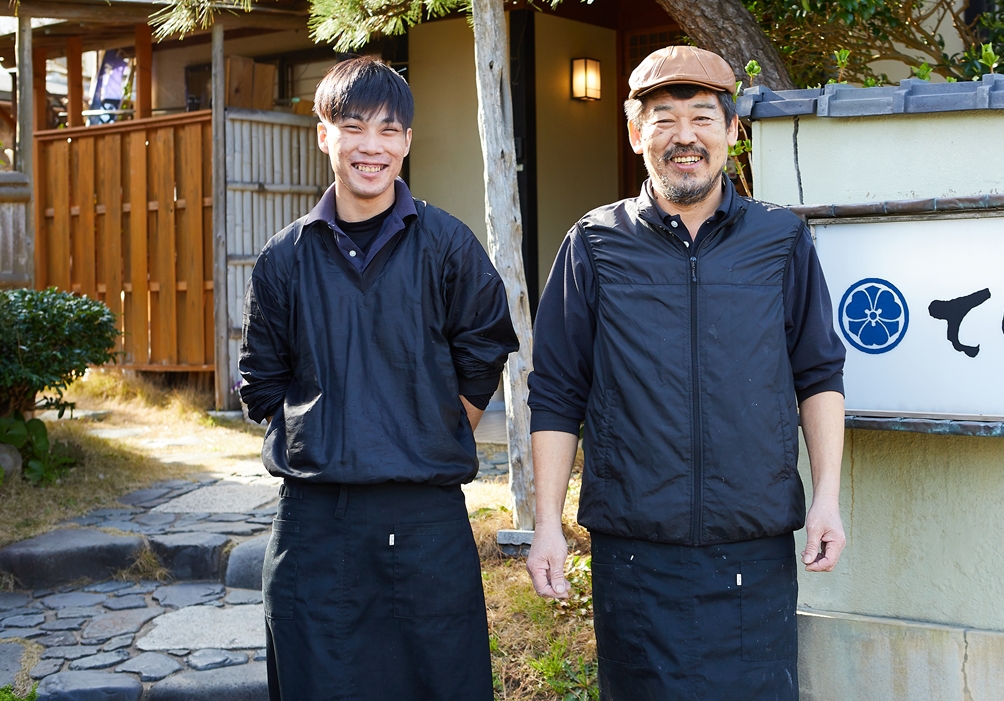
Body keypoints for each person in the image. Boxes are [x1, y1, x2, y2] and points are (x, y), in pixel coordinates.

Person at [525, 45, 848, 699]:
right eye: (663, 117)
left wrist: (827, 496)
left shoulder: (780, 241)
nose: (684, 136)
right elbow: (556, 392)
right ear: (635, 131)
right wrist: (548, 521)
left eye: (703, 116)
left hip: (751, 547)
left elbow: (818, 373)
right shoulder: (594, 244)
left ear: (732, 130)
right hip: (637, 551)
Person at [239, 57, 517, 701]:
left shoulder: (447, 244)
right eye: (354, 126)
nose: (372, 146)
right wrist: (328, 431)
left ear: (408, 142)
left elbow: (486, 344)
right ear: (323, 134)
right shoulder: (284, 257)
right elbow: (261, 380)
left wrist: (440, 423)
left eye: (389, 130)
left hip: (425, 520)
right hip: (315, 524)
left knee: (439, 681)